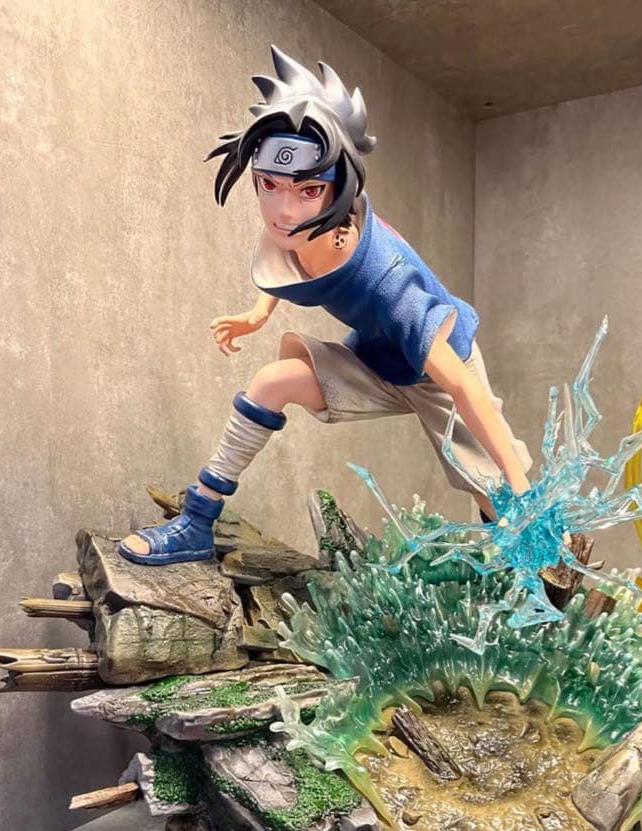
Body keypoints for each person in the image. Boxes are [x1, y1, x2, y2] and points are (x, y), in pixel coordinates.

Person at [119, 46, 532, 566]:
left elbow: (461, 386)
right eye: (269, 185)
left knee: (495, 491)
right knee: (271, 382)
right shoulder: (300, 228)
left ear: (337, 190)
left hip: (438, 366)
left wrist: (521, 487)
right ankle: (196, 522)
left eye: (308, 190)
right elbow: (290, 260)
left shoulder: (390, 285)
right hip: (376, 359)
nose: (284, 209)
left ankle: (525, 565)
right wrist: (258, 314)